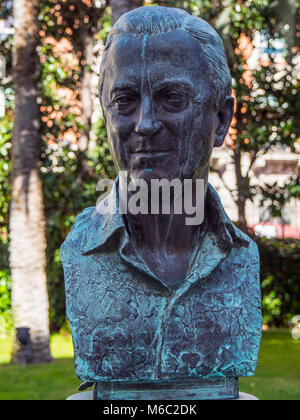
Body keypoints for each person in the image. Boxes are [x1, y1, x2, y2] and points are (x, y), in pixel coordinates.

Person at [61, 6, 262, 400]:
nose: (145, 123)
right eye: (125, 100)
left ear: (221, 119)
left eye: (172, 98)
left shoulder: (240, 257)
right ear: (105, 112)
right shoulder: (81, 251)